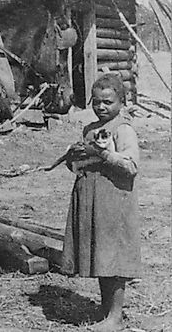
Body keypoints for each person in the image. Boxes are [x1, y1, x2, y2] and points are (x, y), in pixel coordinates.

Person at [62, 73, 141, 331]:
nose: (101, 107)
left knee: (114, 257)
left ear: (122, 101)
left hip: (114, 202)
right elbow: (80, 166)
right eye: (96, 102)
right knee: (100, 256)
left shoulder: (123, 129)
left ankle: (116, 317)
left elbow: (130, 166)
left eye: (107, 102)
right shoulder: (89, 129)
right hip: (92, 202)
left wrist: (104, 153)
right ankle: (106, 309)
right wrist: (72, 158)